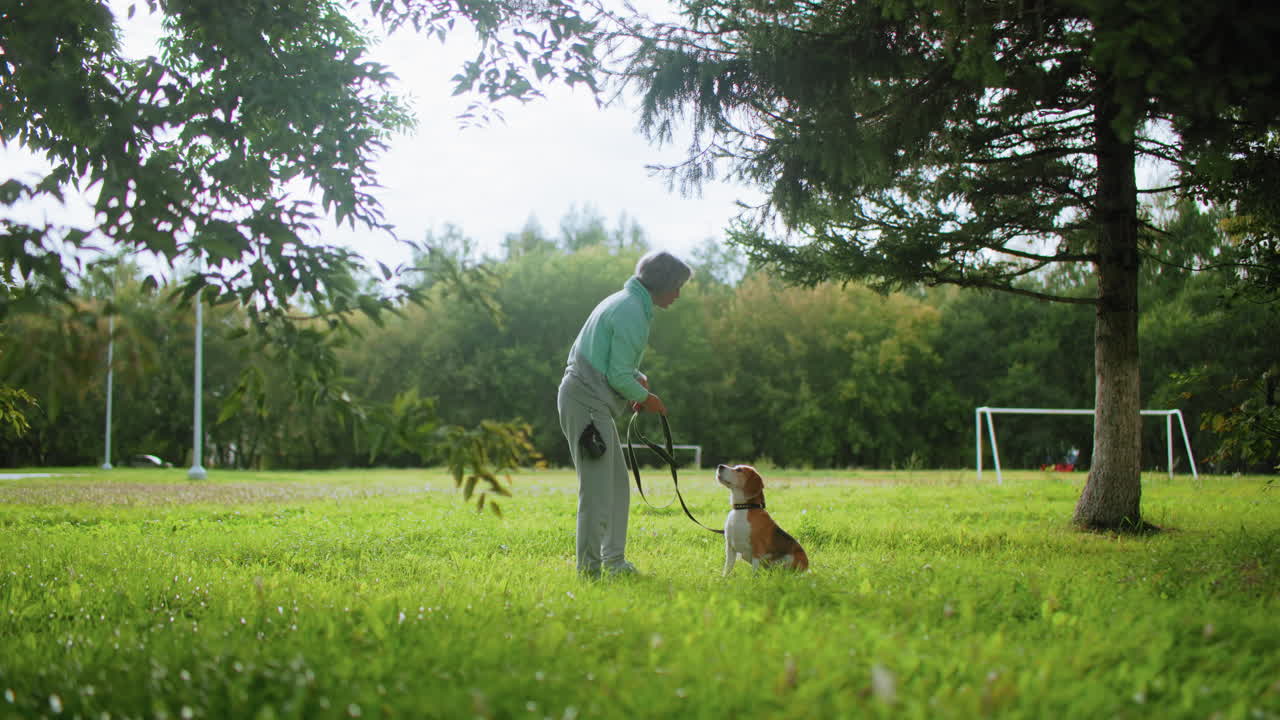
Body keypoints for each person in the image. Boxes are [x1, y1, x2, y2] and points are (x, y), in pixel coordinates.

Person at [556, 250, 693, 579]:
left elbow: (614, 366)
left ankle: (615, 564)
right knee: (597, 493)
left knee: (616, 488)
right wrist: (647, 398)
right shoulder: (631, 310)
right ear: (663, 284)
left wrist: (636, 378)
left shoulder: (626, 303)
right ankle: (590, 572)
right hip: (586, 404)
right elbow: (616, 377)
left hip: (591, 403)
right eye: (677, 287)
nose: (678, 294)